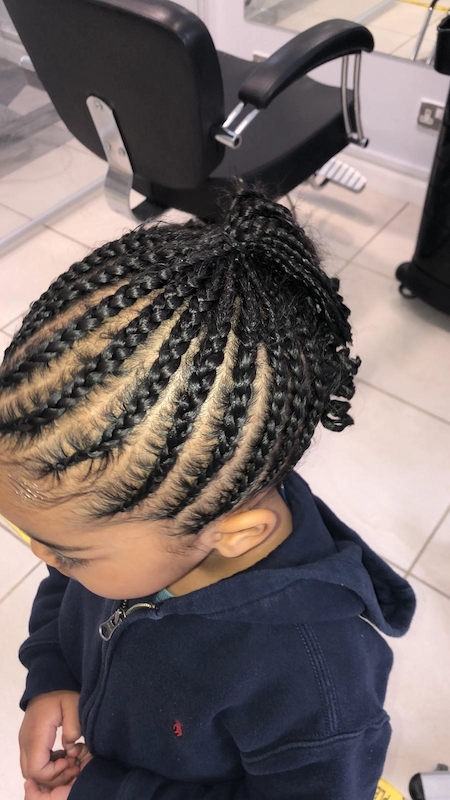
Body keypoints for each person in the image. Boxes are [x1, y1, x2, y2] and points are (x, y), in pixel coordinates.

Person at [0, 186, 415, 800]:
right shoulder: (156, 514)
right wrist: (52, 675)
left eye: (65, 553)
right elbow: (70, 591)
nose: (43, 558)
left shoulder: (315, 684)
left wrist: (107, 794)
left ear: (237, 534)